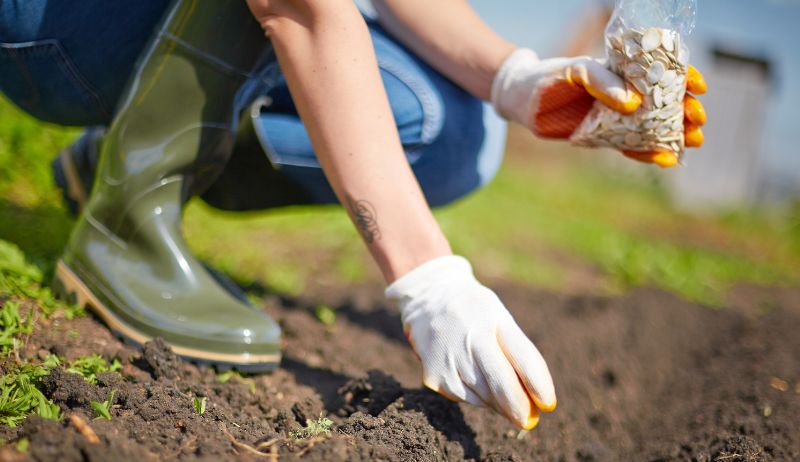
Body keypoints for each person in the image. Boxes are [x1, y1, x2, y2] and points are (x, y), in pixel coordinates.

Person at [0, 0, 707, 431]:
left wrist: (517, 81)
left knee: (458, 132)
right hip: (48, 26)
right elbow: (298, 4)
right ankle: (125, 222)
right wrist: (428, 279)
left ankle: (112, 158)